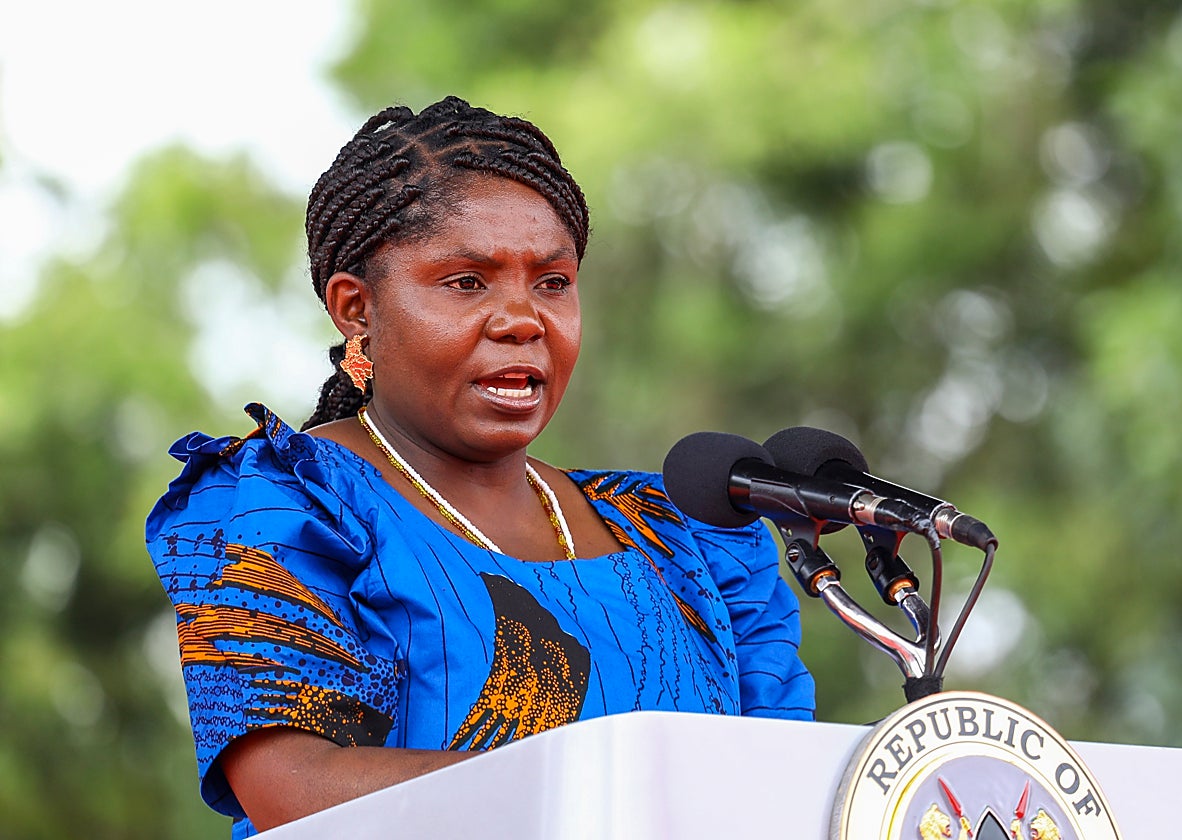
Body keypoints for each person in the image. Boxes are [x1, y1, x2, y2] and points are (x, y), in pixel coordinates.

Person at [146, 96, 816, 837]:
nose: (524, 318)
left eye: (552, 282)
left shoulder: (692, 538)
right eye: (467, 282)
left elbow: (782, 778)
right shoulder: (284, 504)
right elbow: (293, 788)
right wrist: (608, 779)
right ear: (355, 309)